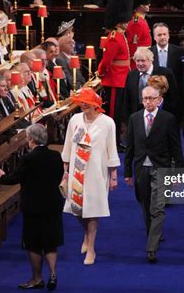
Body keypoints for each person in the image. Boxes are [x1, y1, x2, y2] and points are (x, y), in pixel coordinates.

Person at [0, 124, 64, 291]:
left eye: (27, 137)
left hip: (33, 206)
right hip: (53, 204)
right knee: (50, 242)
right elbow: (59, 176)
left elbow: (14, 179)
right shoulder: (55, 156)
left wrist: (2, 176)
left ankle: (37, 278)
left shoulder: (27, 159)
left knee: (34, 243)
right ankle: (53, 273)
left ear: (31, 139)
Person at [61, 88, 120, 265]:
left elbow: (112, 148)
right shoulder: (75, 120)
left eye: (87, 102)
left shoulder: (108, 122)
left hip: (97, 171)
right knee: (77, 209)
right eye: (81, 102)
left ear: (95, 104)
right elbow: (68, 146)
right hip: (76, 172)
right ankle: (85, 233)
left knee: (92, 210)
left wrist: (114, 175)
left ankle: (91, 249)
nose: (83, 105)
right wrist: (65, 170)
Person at [124, 86, 182, 263]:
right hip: (141, 168)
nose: (148, 101)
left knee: (157, 208)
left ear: (159, 100)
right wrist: (127, 173)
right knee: (145, 204)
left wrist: (178, 172)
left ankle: (151, 248)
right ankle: (154, 234)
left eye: (151, 98)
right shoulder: (134, 119)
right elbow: (130, 148)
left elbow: (176, 147)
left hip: (161, 167)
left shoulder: (168, 119)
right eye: (145, 98)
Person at [97, 0, 133, 148]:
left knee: (118, 115)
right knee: (112, 115)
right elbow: (106, 62)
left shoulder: (120, 35)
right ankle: (111, 142)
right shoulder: (114, 38)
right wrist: (101, 73)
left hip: (121, 79)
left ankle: (116, 141)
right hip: (113, 81)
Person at [123, 47, 180, 123]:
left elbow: (174, 98)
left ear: (151, 60)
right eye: (138, 61)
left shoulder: (165, 73)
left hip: (161, 119)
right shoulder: (131, 75)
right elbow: (127, 100)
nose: (140, 64)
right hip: (137, 119)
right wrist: (127, 120)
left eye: (143, 61)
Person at [150, 22, 184, 93]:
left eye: (164, 34)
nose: (162, 37)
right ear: (154, 37)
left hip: (175, 90)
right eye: (159, 35)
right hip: (154, 90)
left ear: (168, 35)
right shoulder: (149, 52)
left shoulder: (179, 51)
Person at [126, 0, 153, 70]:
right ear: (140, 4)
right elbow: (133, 52)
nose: (149, 4)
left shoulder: (140, 21)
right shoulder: (137, 23)